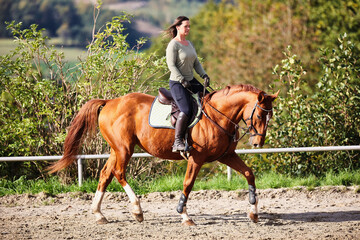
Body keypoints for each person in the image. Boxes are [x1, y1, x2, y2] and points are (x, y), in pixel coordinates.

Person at [165, 16, 210, 152]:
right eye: (186, 26)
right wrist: (181, 79)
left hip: (191, 80)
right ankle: (177, 141)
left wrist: (204, 75)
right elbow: (171, 65)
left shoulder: (189, 44)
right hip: (177, 83)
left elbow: (196, 63)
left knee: (210, 102)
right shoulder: (173, 44)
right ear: (178, 27)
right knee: (186, 109)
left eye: (189, 26)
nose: (188, 29)